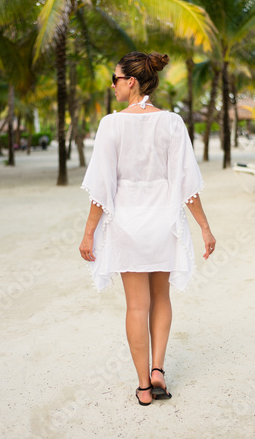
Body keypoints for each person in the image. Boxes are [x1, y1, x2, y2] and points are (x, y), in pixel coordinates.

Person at [79, 51, 216, 406]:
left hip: (127, 224)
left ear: (131, 82)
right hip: (163, 223)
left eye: (115, 78)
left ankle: (143, 386)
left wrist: (88, 232)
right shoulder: (171, 122)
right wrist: (204, 227)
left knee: (136, 306)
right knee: (162, 298)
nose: (112, 85)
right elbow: (186, 183)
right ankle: (159, 370)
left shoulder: (111, 124)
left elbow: (102, 188)